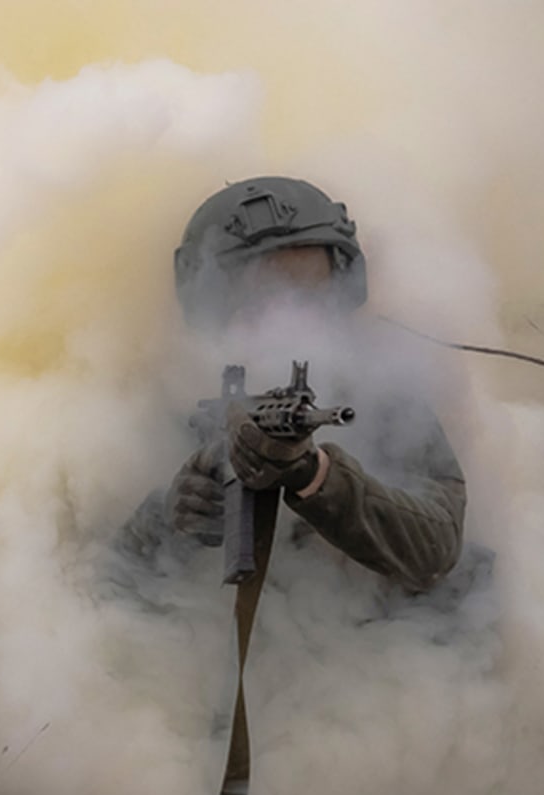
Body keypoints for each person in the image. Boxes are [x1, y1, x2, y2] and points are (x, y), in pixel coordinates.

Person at [120, 177, 466, 594]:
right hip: (221, 646)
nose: (287, 323)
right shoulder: (170, 406)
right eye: (259, 302)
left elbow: (435, 547)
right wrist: (168, 523)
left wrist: (317, 476)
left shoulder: (386, 399)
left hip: (366, 639)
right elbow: (100, 582)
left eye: (307, 298)